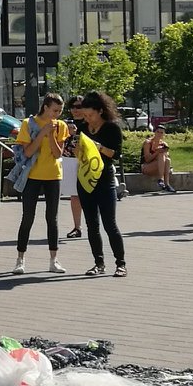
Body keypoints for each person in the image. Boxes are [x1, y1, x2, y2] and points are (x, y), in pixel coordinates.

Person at [11, 93, 69, 275]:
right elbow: (27, 153)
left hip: (53, 175)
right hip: (32, 175)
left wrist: (51, 135)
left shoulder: (61, 126)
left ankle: (54, 260)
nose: (57, 114)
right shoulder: (29, 124)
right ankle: (20, 259)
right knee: (28, 216)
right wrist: (42, 133)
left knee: (52, 218)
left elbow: (58, 154)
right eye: (54, 110)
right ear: (45, 107)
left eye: (59, 111)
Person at [74, 92, 127, 277]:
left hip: (105, 181)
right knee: (91, 224)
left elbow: (117, 155)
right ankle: (98, 263)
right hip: (85, 180)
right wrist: (77, 150)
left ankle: (121, 264)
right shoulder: (82, 128)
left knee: (109, 224)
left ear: (101, 111)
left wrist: (100, 147)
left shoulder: (112, 128)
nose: (88, 119)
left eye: (91, 115)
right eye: (85, 116)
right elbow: (78, 155)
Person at [60, 96, 86, 239]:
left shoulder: (90, 123)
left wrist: (76, 134)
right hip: (70, 161)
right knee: (75, 195)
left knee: (90, 194)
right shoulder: (65, 124)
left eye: (79, 106)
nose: (75, 110)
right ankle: (77, 227)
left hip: (86, 161)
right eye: (73, 107)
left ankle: (94, 225)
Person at [138, 125, 174, 193]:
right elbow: (147, 159)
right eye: (158, 132)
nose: (159, 134)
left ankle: (166, 184)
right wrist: (157, 152)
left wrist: (163, 152)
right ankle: (161, 179)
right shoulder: (148, 142)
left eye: (161, 133)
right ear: (154, 132)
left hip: (160, 167)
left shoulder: (164, 144)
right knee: (160, 154)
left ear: (164, 134)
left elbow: (167, 159)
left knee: (167, 159)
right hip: (147, 167)